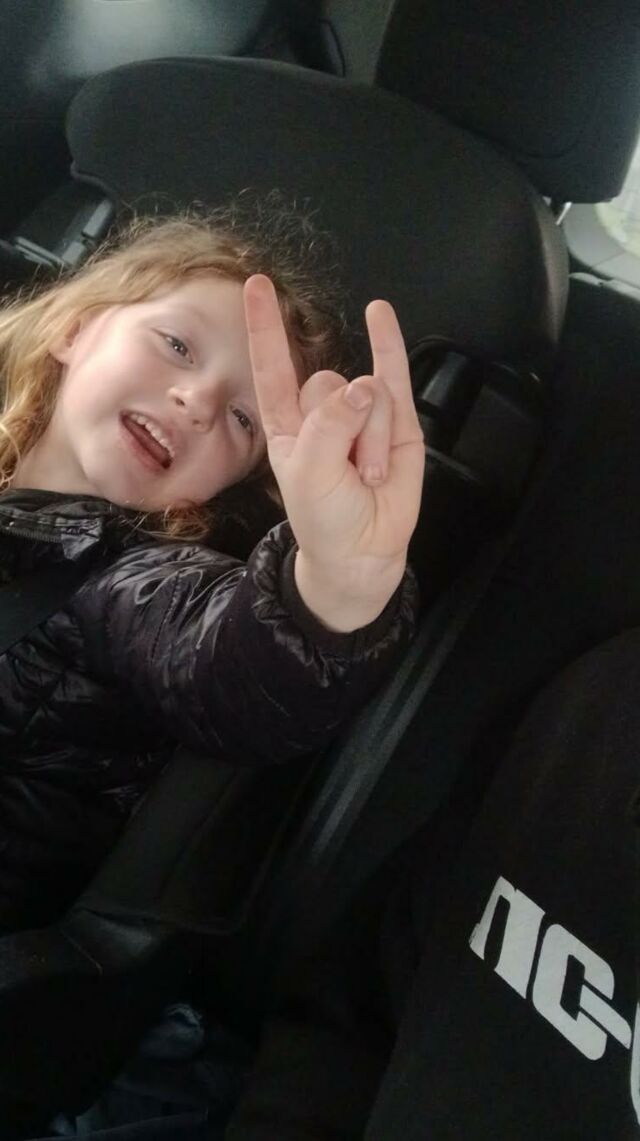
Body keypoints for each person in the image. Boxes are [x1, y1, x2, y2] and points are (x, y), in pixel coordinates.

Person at [0, 206, 424, 935]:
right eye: (176, 344)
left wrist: (341, 579)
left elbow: (235, 665)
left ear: (221, 489)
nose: (197, 403)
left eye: (241, 420)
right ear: (77, 327)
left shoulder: (134, 582)